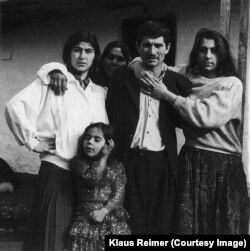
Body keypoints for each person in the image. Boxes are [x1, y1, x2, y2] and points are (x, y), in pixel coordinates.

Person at [133, 28, 249, 234]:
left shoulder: (231, 84)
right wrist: (139, 69)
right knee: (187, 229)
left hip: (224, 165)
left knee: (224, 229)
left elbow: (205, 117)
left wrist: (167, 95)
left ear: (222, 54)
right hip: (190, 159)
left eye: (214, 51)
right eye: (203, 50)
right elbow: (145, 62)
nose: (208, 56)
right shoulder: (185, 75)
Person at [5, 30, 108, 251]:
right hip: (58, 170)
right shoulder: (54, 81)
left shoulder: (98, 91)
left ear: (95, 56)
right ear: (68, 54)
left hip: (87, 176)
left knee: (81, 238)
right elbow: (13, 106)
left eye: (89, 51)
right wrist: (32, 142)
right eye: (77, 50)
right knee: (51, 234)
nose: (82, 56)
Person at [106, 20, 192, 234]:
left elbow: (188, 114)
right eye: (146, 45)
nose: (152, 51)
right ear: (138, 47)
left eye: (158, 45)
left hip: (162, 162)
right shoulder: (121, 78)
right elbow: (110, 112)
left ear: (168, 48)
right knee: (128, 224)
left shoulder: (178, 83)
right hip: (129, 160)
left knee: (160, 225)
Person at [65, 122, 130, 250]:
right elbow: (93, 179)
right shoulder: (78, 163)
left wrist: (103, 211)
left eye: (97, 139)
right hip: (84, 221)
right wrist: (103, 158)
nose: (90, 142)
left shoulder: (117, 167)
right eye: (87, 138)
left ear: (108, 144)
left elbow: (119, 193)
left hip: (110, 220)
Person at [46, 40, 131, 94]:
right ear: (102, 59)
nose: (114, 62)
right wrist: (55, 70)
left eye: (120, 59)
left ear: (128, 62)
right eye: (110, 57)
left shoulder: (131, 86)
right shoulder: (88, 82)